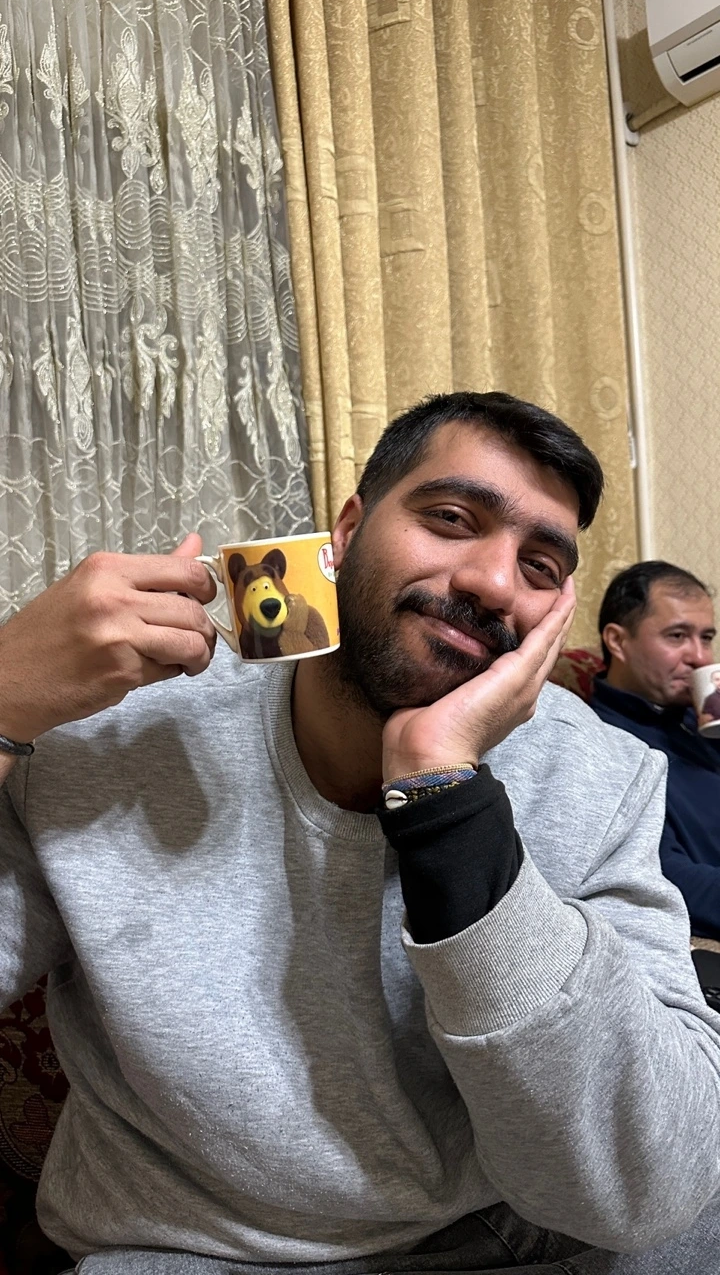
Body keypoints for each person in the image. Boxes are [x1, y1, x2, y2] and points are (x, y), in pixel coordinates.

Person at [1, 392, 720, 1275]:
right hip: (197, 1248)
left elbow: (650, 1186)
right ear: (345, 532)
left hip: (502, 1232)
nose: (495, 582)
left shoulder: (604, 776)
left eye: (539, 566)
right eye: (451, 518)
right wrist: (2, 698)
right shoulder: (108, 727)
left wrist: (444, 793)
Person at [590, 560, 720, 942]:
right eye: (677, 636)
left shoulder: (698, 720)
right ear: (618, 641)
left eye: (707, 637)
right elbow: (663, 876)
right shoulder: (601, 745)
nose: (700, 657)